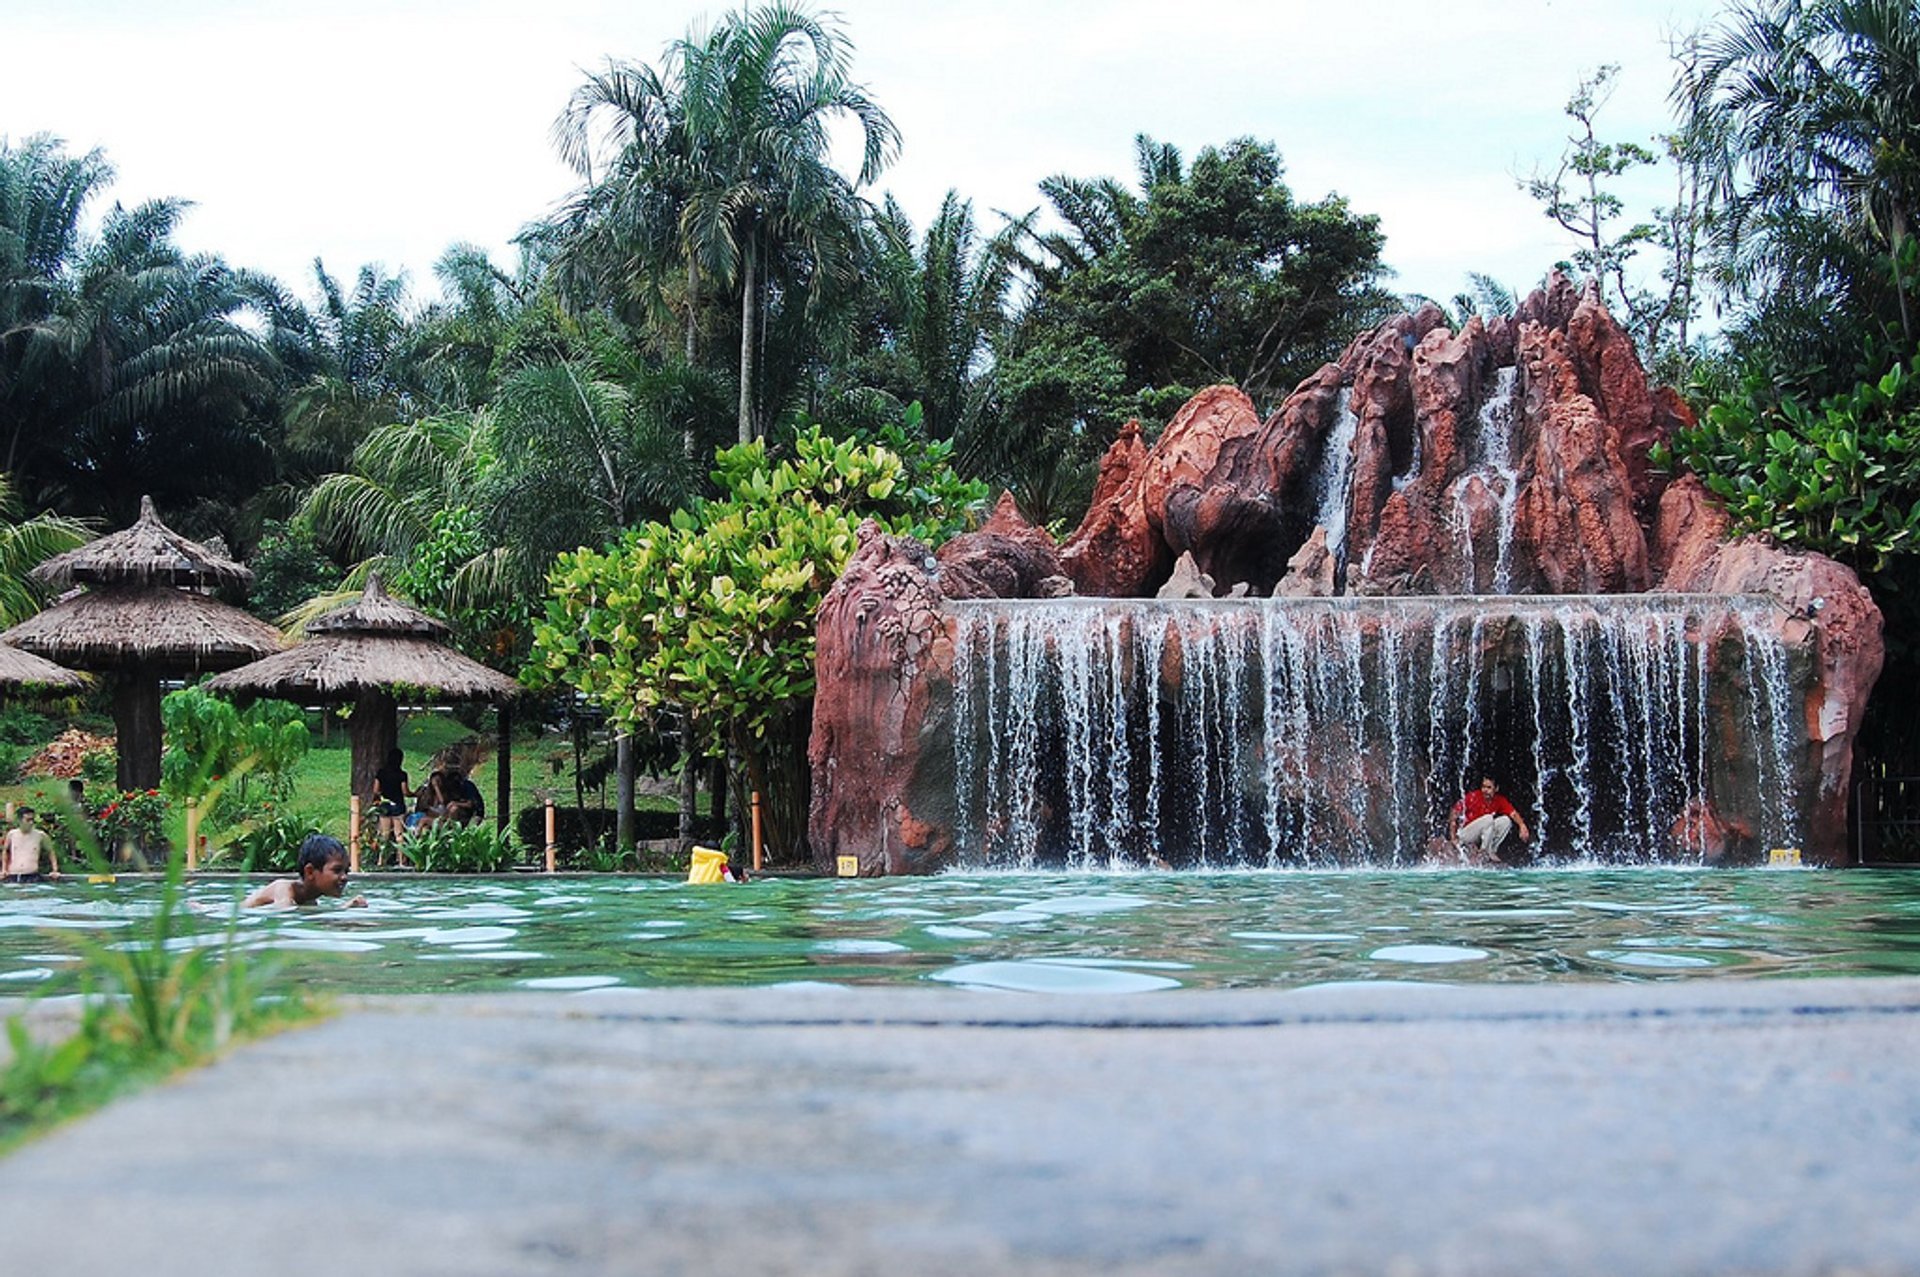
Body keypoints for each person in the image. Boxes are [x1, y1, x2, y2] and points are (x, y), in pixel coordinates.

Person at [244, 834, 366, 908]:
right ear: (310, 872)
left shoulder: (310, 901)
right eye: (337, 870)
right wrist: (344, 908)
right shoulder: (283, 888)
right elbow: (285, 917)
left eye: (346, 871)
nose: (344, 877)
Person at [1447, 776, 1532, 865]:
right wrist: (1453, 837)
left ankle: (1491, 850)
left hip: (1481, 835)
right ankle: (1483, 853)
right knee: (1488, 818)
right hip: (1466, 835)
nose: (1485, 790)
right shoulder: (1473, 796)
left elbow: (1513, 813)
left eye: (1489, 787)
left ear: (1496, 789)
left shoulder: (1499, 800)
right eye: (1483, 787)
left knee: (1506, 821)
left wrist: (1522, 825)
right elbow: (1454, 812)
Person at [2, 806, 59, 883]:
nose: (31, 822)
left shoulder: (40, 835)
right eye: (28, 820)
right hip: (13, 875)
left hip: (32, 876)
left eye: (32, 820)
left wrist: (54, 870)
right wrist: (4, 869)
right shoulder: (12, 834)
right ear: (19, 820)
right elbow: (5, 851)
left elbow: (51, 852)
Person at [372, 747, 411, 853]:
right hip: (398, 805)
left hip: (385, 804)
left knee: (384, 834)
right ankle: (401, 860)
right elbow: (405, 792)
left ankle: (381, 860)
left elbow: (375, 790)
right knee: (399, 834)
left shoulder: (381, 773)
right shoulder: (402, 774)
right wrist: (415, 794)